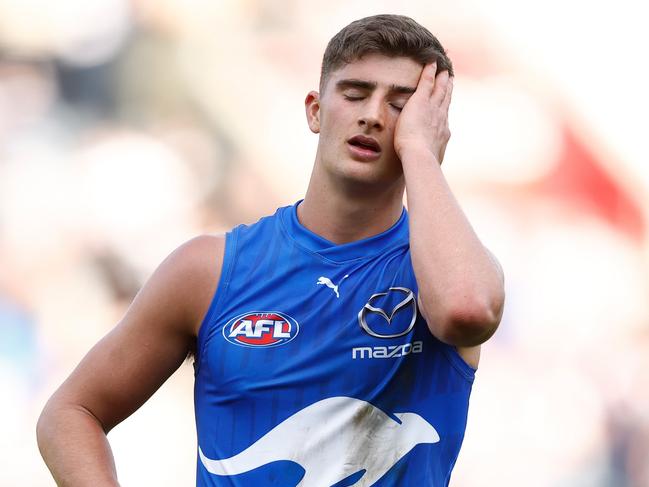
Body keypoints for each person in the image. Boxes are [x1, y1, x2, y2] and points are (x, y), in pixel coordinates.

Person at [37, 14, 505, 486]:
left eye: (400, 105)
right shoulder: (210, 270)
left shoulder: (443, 269)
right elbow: (71, 413)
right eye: (355, 94)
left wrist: (421, 155)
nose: (373, 115)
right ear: (315, 110)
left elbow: (465, 312)